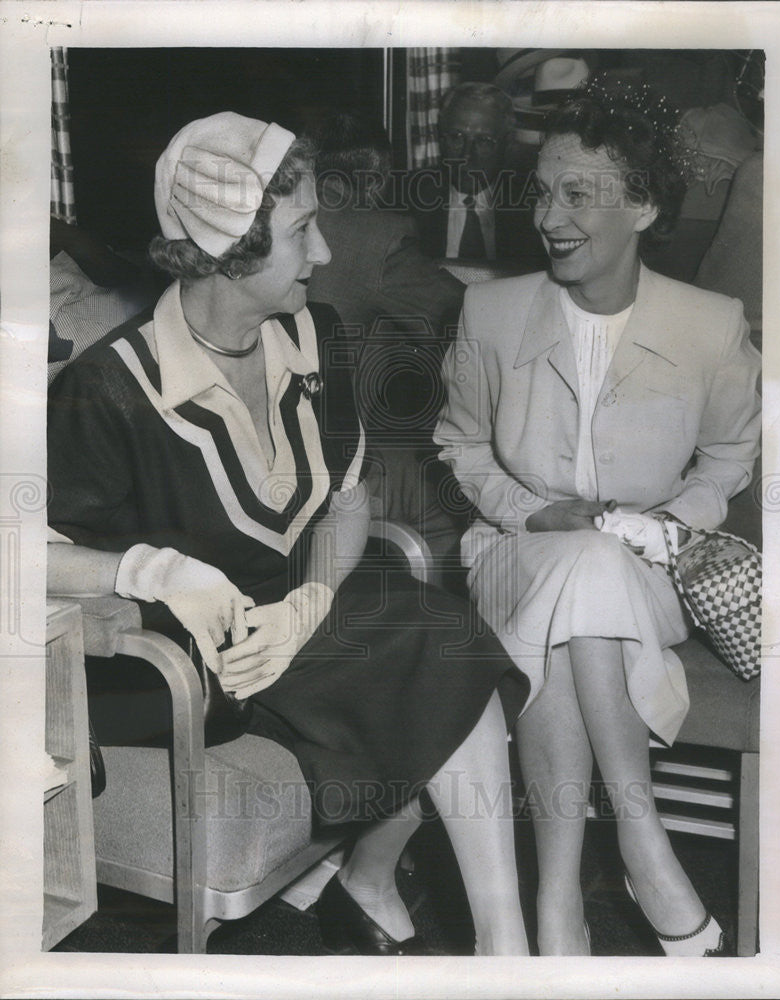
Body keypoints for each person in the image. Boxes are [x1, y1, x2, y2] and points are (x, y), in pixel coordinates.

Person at [46, 111, 532, 956]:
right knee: (428, 637)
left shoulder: (315, 332)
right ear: (232, 247)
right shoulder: (107, 387)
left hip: (292, 620)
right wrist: (155, 572)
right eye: (303, 230)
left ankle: (482, 936)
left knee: (443, 636)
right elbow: (29, 559)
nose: (324, 254)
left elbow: (345, 499)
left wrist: (310, 601)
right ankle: (461, 930)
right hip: (183, 656)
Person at [433, 82, 761, 956]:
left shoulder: (710, 325)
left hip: (649, 571)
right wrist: (533, 512)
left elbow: (730, 459)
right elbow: (459, 448)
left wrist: (660, 525)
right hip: (510, 555)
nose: (548, 215)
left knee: (596, 576)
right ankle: (640, 837)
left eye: (577, 194)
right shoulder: (488, 312)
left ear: (644, 206)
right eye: (541, 190)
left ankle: (555, 910)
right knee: (581, 567)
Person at [306, 112, 468, 582]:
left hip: (270, 446)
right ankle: (440, 632)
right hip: (334, 465)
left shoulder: (267, 219)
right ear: (375, 181)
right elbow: (470, 320)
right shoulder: (377, 235)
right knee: (453, 499)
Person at [406, 82, 545, 263]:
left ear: (508, 144)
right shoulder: (408, 199)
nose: (466, 156)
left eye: (484, 141)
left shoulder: (533, 206)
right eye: (456, 138)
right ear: (440, 138)